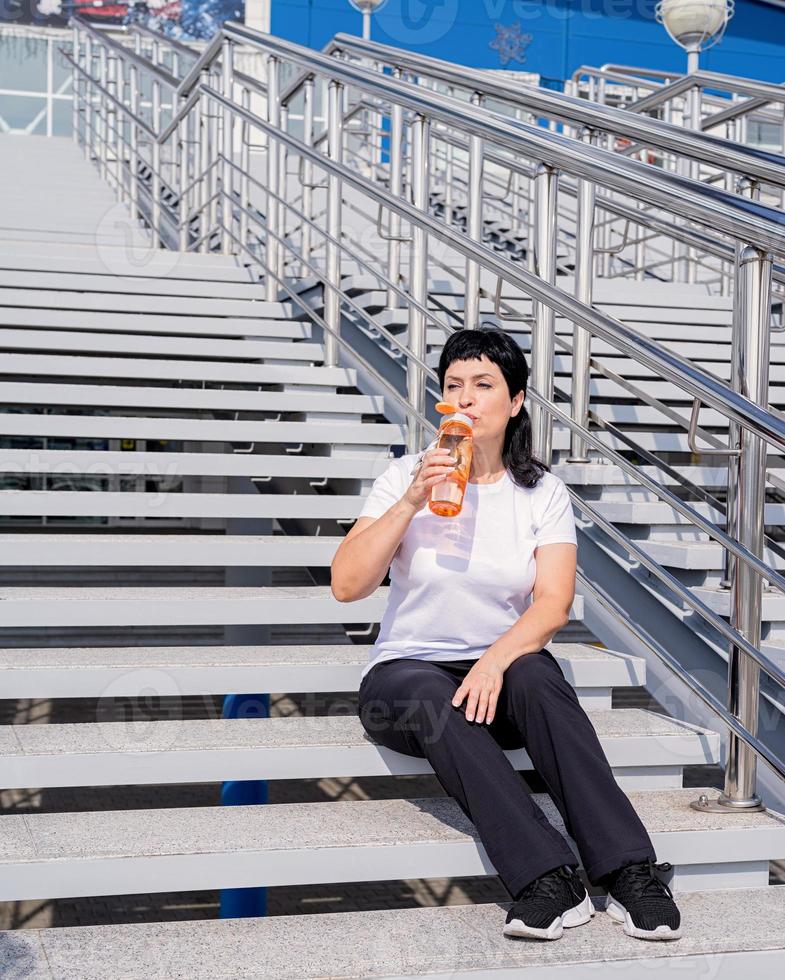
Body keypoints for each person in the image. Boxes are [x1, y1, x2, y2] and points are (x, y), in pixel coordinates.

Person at [331, 327, 682, 942]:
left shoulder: (541, 492)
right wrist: (412, 499)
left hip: (503, 669)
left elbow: (553, 602)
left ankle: (630, 871)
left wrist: (493, 659)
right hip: (408, 677)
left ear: (515, 401)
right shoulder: (402, 478)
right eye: (453, 386)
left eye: (483, 385)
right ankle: (547, 878)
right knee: (425, 691)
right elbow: (347, 585)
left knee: (538, 679)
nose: (465, 398)